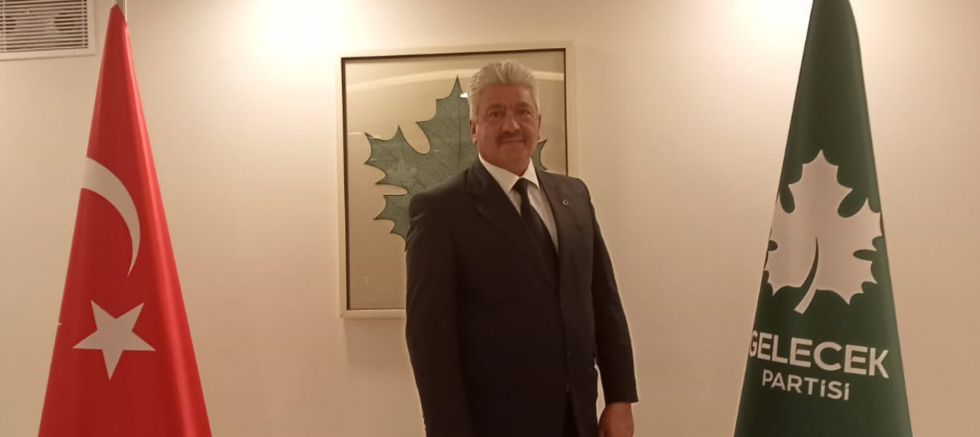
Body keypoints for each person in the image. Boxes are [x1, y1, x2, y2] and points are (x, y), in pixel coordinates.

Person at [405, 60, 638, 437]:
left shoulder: (574, 196)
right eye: (495, 113)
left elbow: (604, 302)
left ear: (538, 123)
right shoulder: (441, 211)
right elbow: (430, 342)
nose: (511, 125)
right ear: (473, 128)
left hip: (579, 419)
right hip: (493, 424)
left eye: (523, 112)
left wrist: (619, 399)